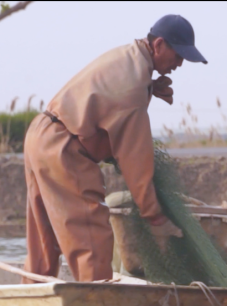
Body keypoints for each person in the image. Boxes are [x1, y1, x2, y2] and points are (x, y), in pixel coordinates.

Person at [21, 15, 207, 283]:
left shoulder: (129, 57)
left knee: (44, 240)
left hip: (41, 135)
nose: (179, 63)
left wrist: (149, 89)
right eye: (178, 55)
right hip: (64, 148)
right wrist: (155, 218)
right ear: (159, 45)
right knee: (92, 237)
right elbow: (136, 161)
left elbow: (107, 96)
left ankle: (31, 302)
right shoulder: (133, 85)